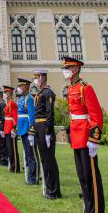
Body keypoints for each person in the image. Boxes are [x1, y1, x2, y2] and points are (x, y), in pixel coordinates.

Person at [63, 56, 105, 213]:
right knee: (82, 177)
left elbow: (96, 114)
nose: (64, 71)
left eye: (67, 68)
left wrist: (94, 139)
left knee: (91, 177)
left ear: (75, 69)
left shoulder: (85, 88)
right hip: (76, 136)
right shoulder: (71, 89)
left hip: (86, 136)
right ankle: (88, 212)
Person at [34, 69, 61, 200]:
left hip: (45, 127)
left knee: (49, 160)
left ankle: (54, 190)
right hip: (39, 127)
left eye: (37, 77)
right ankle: (49, 187)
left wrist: (48, 132)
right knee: (44, 159)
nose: (36, 79)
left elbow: (50, 113)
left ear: (43, 78)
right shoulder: (40, 93)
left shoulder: (48, 93)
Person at [17, 77, 37, 184]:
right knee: (27, 154)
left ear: (26, 87)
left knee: (31, 154)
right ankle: (30, 174)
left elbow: (31, 116)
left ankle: (33, 178)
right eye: (19, 86)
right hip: (22, 129)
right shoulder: (21, 98)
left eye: (21, 86)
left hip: (27, 129)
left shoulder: (29, 98)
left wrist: (31, 131)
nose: (19, 88)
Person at [3, 84, 20, 173]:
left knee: (13, 148)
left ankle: (15, 167)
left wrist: (14, 128)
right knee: (9, 148)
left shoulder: (12, 104)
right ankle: (12, 165)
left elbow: (15, 117)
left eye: (6, 92)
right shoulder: (8, 103)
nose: (5, 94)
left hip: (11, 128)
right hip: (7, 127)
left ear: (9, 93)